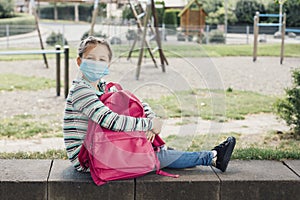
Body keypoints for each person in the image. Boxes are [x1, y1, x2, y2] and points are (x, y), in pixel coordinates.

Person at [63, 36, 236, 174]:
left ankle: (210, 156)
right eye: (90, 58)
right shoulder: (81, 91)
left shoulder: (105, 87)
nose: (96, 63)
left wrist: (152, 118)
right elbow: (110, 120)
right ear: (79, 62)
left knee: (156, 148)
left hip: (101, 147)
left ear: (108, 64)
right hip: (87, 158)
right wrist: (149, 124)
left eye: (102, 59)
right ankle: (212, 156)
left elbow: (136, 103)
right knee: (156, 155)